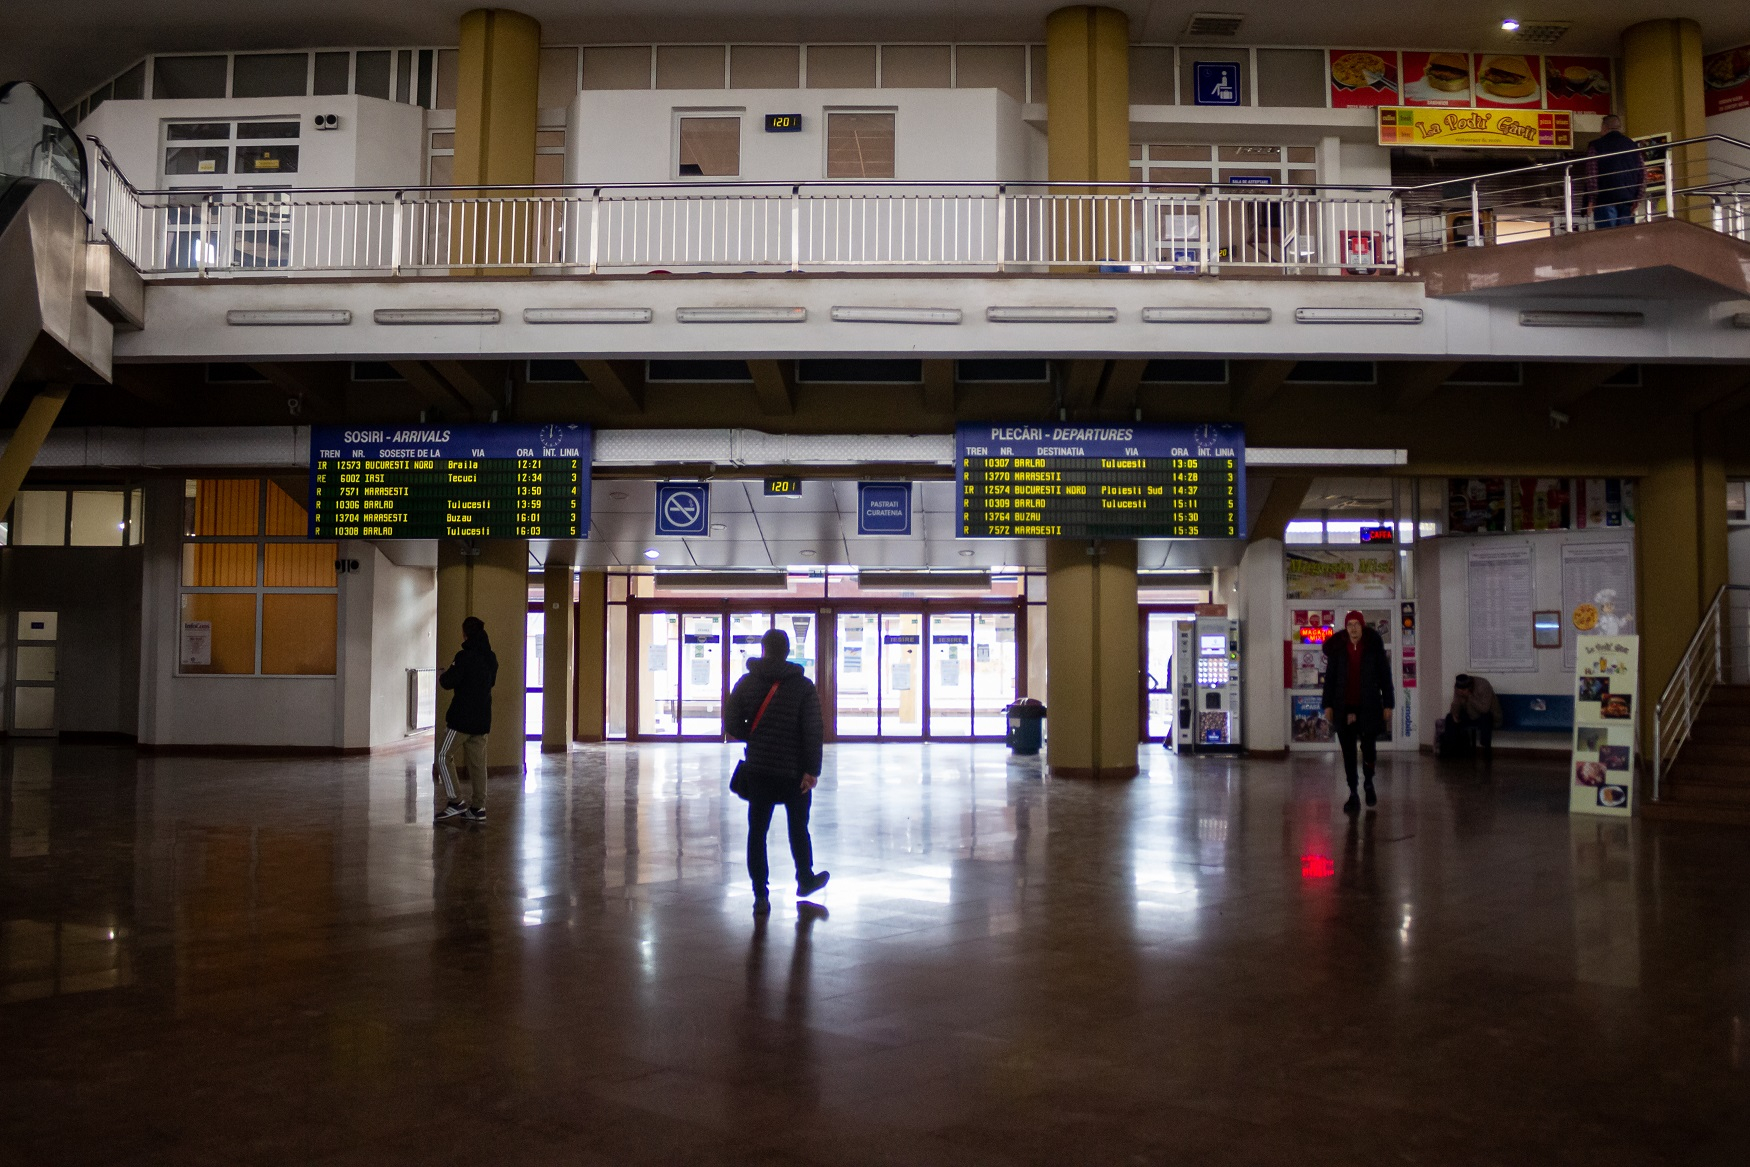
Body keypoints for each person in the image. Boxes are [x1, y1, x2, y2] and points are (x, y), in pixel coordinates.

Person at [725, 628, 827, 916]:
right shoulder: (803, 686)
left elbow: (731, 722)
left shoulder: (747, 682)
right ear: (787, 651)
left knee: (757, 831)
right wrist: (811, 770)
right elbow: (813, 730)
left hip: (759, 768)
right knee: (798, 827)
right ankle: (804, 878)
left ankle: (760, 894)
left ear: (764, 649)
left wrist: (753, 736)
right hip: (794, 771)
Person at [1321, 610, 1395, 815]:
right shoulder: (1338, 650)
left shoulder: (1373, 649)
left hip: (1368, 707)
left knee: (1369, 747)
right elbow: (1330, 679)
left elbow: (1385, 677)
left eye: (1356, 624)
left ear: (1362, 627)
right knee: (1348, 752)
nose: (1353, 628)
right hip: (1343, 707)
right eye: (1350, 624)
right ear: (1346, 628)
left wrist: (1388, 704)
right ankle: (1353, 792)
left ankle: (1368, 782)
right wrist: (1328, 705)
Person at [435, 616, 497, 824]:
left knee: (442, 756)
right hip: (482, 719)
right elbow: (490, 682)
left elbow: (448, 682)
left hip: (461, 719)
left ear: (466, 634)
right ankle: (478, 808)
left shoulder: (464, 656)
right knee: (478, 765)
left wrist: (443, 674)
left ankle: (456, 801)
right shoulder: (491, 658)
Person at [1580, 115, 1646, 231]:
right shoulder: (1633, 146)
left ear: (1604, 127)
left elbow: (1592, 175)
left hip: (1605, 200)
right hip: (1627, 200)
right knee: (1624, 237)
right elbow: (1642, 173)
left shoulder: (1596, 146)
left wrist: (1591, 200)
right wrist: (1638, 198)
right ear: (1619, 127)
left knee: (1607, 236)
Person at [1444, 674, 1502, 761]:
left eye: (1463, 690)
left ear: (1469, 687)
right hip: (1470, 713)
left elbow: (1485, 709)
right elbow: (1456, 703)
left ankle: (1487, 749)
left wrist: (1470, 696)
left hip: (1488, 715)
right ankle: (1452, 749)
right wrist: (1455, 714)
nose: (1460, 692)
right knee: (1449, 718)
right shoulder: (1458, 688)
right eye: (1459, 690)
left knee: (1486, 718)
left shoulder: (1483, 685)